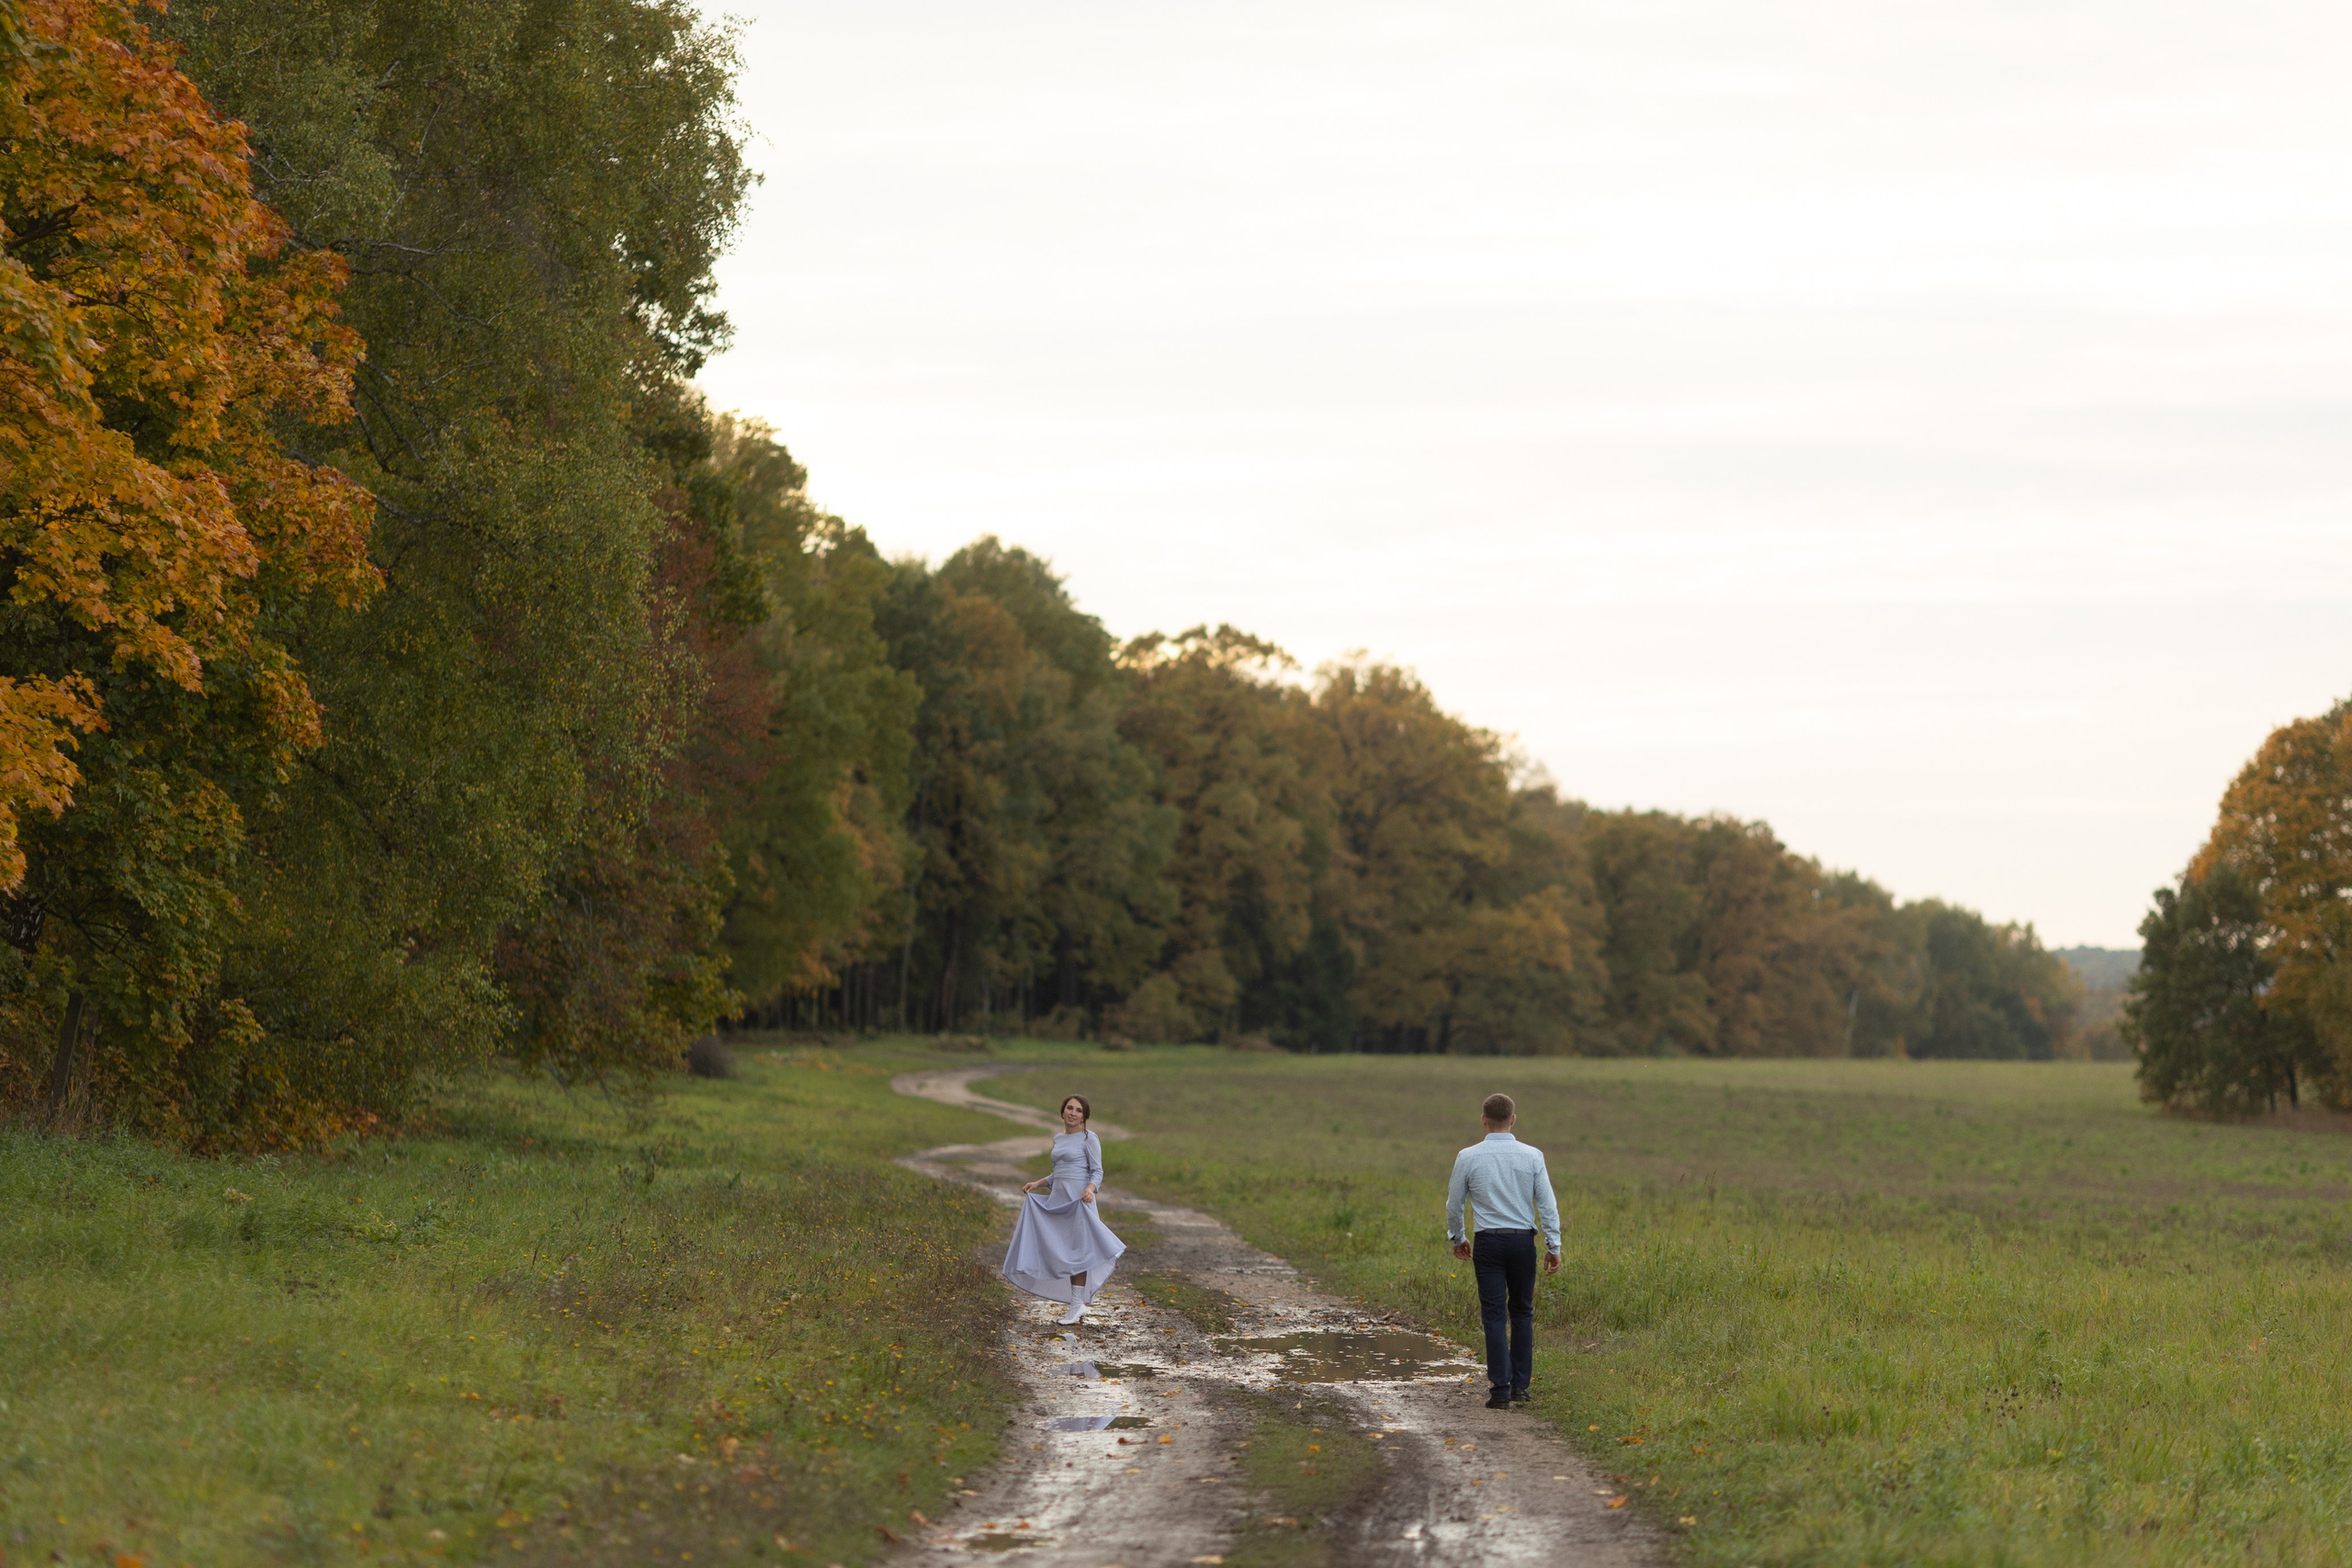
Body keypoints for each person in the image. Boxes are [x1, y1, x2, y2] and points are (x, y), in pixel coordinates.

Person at [1446, 1092, 1561, 1410]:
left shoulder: (1468, 1156)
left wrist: (1458, 1238)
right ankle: (1521, 1387)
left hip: (1488, 1243)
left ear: (1483, 1120)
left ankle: (1500, 1389)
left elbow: (1454, 1203)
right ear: (1513, 1119)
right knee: (1522, 1311)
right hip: (1522, 1241)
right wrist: (1554, 1245)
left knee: (1494, 1315)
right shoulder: (1533, 1156)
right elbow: (1547, 1204)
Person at [1001, 1094, 1127, 1326]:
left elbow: (1097, 1171)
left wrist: (1091, 1189)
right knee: (1062, 1248)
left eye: (1078, 1110)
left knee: (1078, 1250)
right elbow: (1059, 1172)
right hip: (1059, 1199)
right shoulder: (1058, 1139)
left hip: (1079, 1200)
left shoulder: (1089, 1138)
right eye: (1069, 1108)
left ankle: (1076, 1304)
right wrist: (1038, 1183)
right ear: (1062, 1112)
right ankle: (1075, 1304)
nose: (1073, 1113)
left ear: (1084, 1116)